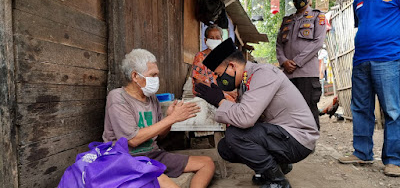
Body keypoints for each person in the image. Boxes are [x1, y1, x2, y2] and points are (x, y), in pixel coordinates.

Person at [195, 38, 319, 188]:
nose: (220, 80)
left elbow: (245, 118)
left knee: (235, 135)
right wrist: (220, 101)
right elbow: (249, 115)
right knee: (225, 147)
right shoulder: (246, 80)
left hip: (298, 139)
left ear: (232, 66)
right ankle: (278, 166)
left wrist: (220, 101)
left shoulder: (263, 74)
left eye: (219, 75)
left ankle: (277, 181)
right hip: (281, 135)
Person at [103, 49, 215, 188]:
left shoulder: (152, 99)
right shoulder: (117, 97)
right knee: (167, 183)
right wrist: (171, 118)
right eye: (152, 75)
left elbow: (161, 135)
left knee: (207, 163)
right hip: (127, 159)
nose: (156, 79)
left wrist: (170, 118)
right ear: (135, 76)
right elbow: (132, 140)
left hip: (153, 154)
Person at [338, 0, 400, 177]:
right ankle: (362, 152)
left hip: (389, 59)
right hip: (360, 61)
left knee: (392, 111)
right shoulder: (359, 0)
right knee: (360, 108)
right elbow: (364, 26)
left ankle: (393, 160)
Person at [276, 0, 326, 130]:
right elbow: (279, 44)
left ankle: (310, 142)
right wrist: (284, 61)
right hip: (288, 75)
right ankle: (294, 141)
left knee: (309, 107)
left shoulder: (318, 17)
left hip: (307, 74)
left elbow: (317, 42)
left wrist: (296, 62)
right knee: (289, 108)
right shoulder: (287, 20)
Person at [192, 24, 237, 102]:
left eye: (217, 38)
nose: (215, 40)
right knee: (228, 102)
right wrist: (225, 92)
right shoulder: (200, 57)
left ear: (221, 40)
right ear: (205, 40)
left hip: (222, 92)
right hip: (206, 91)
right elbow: (199, 82)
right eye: (211, 38)